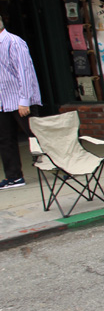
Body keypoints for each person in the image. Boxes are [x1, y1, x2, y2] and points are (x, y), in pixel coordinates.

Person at [0, 15, 42, 190]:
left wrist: (24, 101)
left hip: (19, 100)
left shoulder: (14, 42)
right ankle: (14, 177)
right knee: (5, 139)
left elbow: (24, 72)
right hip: (3, 101)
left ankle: (63, 165)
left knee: (37, 134)